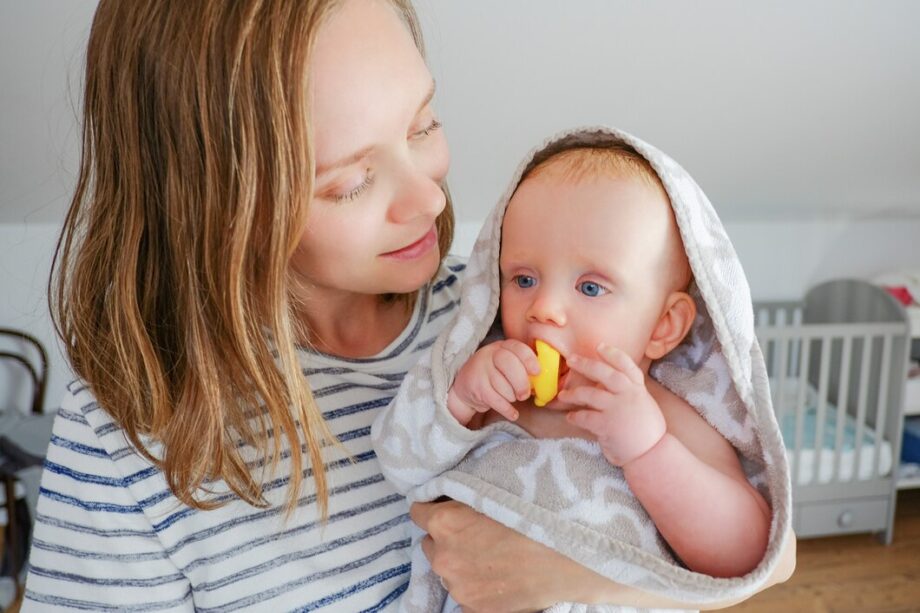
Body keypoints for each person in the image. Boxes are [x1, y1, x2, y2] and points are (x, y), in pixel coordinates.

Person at [22, 1, 793, 611]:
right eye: (350, 182)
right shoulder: (128, 438)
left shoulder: (496, 312)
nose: (429, 197)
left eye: (423, 124)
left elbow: (769, 549)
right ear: (219, 205)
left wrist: (569, 573)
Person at [447, 143, 770, 577]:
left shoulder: (666, 419)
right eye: (524, 279)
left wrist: (650, 451)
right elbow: (407, 464)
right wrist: (458, 402)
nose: (543, 308)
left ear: (663, 327)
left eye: (591, 288)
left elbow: (741, 553)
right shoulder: (493, 392)